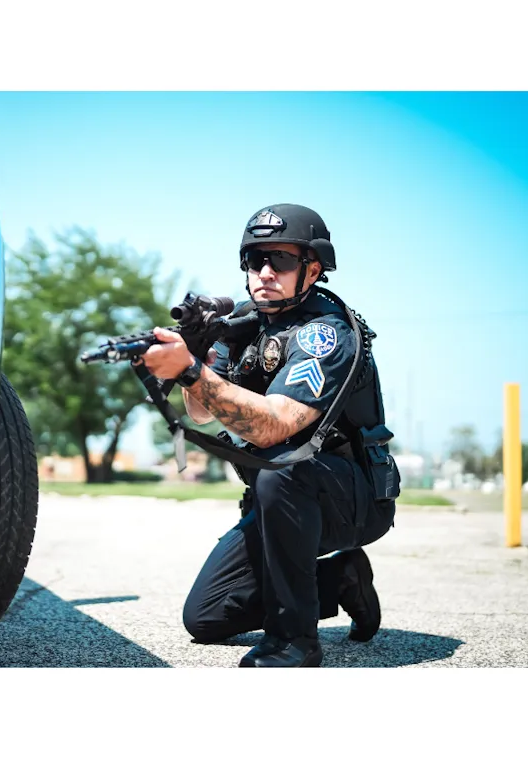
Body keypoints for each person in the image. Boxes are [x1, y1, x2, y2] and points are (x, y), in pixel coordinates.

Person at [137, 204, 398, 667]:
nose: (265, 272)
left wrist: (191, 370)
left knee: (282, 466)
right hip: (280, 498)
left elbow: (273, 425)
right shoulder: (245, 324)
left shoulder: (326, 333)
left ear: (312, 270)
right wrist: (196, 360)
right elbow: (201, 412)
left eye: (281, 260)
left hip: (350, 498)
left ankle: (293, 642)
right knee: (206, 617)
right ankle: (340, 578)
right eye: (254, 260)